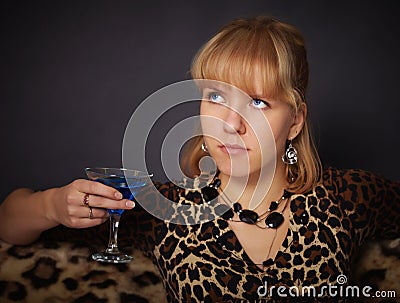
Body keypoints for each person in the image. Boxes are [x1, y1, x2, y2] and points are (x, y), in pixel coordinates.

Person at [0, 16, 399, 302]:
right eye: (217, 97)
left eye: (258, 102)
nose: (230, 123)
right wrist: (53, 204)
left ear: (294, 121)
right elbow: (9, 222)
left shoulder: (348, 197)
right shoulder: (165, 207)